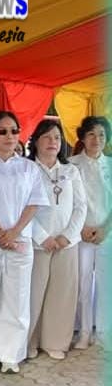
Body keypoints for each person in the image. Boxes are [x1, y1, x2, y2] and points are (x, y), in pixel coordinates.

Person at [0, 111, 48, 375]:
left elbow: (34, 203)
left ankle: (11, 354)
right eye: (2, 131)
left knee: (17, 298)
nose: (9, 136)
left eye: (14, 131)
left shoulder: (29, 168)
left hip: (20, 241)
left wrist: (14, 233)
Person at [27, 119, 86, 360]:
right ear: (36, 141)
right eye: (47, 137)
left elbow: (81, 207)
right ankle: (30, 341)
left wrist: (66, 236)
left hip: (66, 243)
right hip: (37, 242)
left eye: (57, 138)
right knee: (34, 293)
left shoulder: (71, 170)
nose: (53, 142)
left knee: (62, 293)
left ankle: (55, 342)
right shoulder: (28, 169)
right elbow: (20, 209)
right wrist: (43, 237)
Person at [69, 115, 110, 349]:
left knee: (106, 284)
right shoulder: (72, 164)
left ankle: (103, 331)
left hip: (107, 234)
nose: (97, 139)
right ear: (83, 137)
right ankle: (84, 332)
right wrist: (82, 228)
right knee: (83, 284)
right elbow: (69, 202)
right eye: (92, 134)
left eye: (102, 134)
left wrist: (105, 229)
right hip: (81, 234)